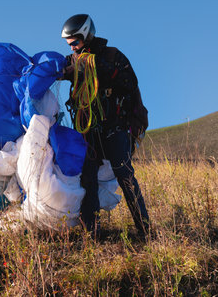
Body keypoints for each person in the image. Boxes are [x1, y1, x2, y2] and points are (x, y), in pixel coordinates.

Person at [60, 14, 150, 237]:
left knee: (124, 173)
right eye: (69, 43)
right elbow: (54, 70)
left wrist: (93, 67)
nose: (72, 47)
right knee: (87, 178)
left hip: (115, 127)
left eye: (76, 42)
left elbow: (130, 83)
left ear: (87, 35)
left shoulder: (112, 56)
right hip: (89, 131)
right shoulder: (72, 61)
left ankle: (145, 230)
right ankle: (92, 234)